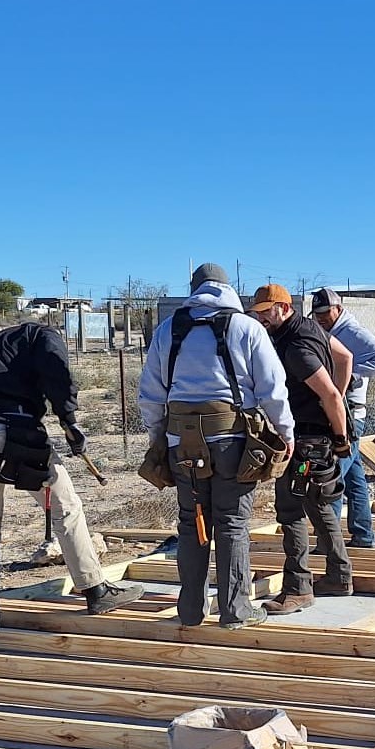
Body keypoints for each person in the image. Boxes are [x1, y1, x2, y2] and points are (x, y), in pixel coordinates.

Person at [0, 322, 143, 627]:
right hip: (13, 428)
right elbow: (57, 375)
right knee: (65, 507)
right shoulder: (45, 336)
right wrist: (69, 422)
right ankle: (96, 590)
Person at [137, 264, 295, 630]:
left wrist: (159, 438)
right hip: (233, 443)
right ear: (228, 288)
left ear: (194, 288)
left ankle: (191, 611)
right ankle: (235, 610)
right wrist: (286, 432)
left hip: (182, 445)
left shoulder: (168, 330)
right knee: (231, 524)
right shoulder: (247, 328)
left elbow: (151, 394)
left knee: (191, 524)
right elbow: (273, 389)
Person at [250, 285, 355, 614]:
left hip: (307, 439)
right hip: (317, 435)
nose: (261, 318)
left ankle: (298, 589)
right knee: (318, 503)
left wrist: (339, 433)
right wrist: (334, 408)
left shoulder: (296, 346)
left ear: (284, 307)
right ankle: (339, 577)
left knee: (290, 509)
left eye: (266, 312)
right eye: (257, 312)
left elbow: (331, 395)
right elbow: (345, 357)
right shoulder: (310, 328)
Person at [310, 288, 375, 549]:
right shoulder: (327, 331)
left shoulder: (353, 333)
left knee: (331, 478)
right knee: (354, 480)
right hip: (337, 410)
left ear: (338, 308)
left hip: (350, 413)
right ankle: (364, 536)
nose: (322, 318)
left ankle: (329, 544)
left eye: (326, 312)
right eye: (317, 313)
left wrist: (353, 372)